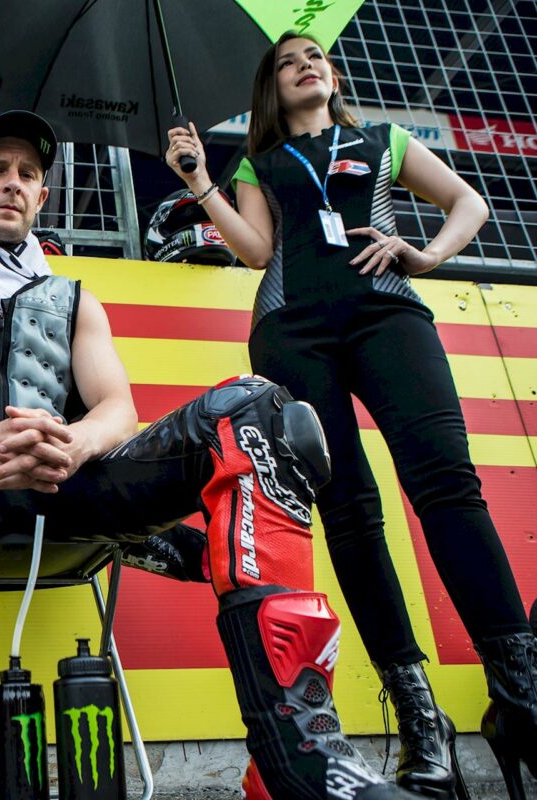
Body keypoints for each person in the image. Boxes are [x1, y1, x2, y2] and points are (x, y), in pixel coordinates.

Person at [0, 110, 424, 800]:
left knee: (260, 413)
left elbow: (118, 410)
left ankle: (299, 768)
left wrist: (75, 443)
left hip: (65, 492)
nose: (12, 184)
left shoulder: (75, 298)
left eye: (28, 175)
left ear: (42, 197)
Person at [165, 30, 537, 800]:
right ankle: (420, 720)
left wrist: (427, 254)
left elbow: (470, 200)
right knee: (350, 513)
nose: (307, 64)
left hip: (389, 315)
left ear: (332, 77)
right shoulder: (257, 163)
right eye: (289, 60)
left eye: (316, 56)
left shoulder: (383, 138)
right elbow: (258, 251)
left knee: (447, 486)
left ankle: (523, 699)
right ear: (272, 86)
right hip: (291, 330)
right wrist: (201, 179)